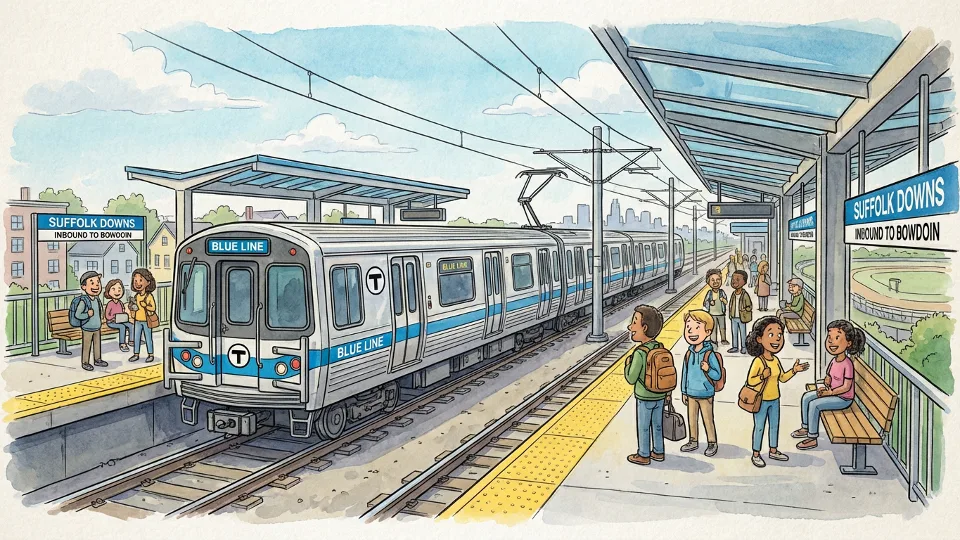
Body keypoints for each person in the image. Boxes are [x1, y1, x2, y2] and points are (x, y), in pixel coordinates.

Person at [745, 316, 809, 468]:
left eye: (779, 334)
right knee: (759, 427)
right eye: (771, 334)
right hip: (761, 400)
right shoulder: (758, 361)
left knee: (774, 426)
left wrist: (794, 370)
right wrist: (762, 376)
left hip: (775, 399)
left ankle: (773, 450)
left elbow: (782, 378)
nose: (777, 339)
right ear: (759, 339)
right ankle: (756, 454)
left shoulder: (775, 361)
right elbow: (750, 381)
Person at [793, 320, 865, 449]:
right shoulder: (834, 360)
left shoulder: (847, 364)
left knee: (815, 405)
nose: (831, 341)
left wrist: (829, 393)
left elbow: (846, 387)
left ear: (848, 343)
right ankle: (806, 427)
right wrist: (827, 381)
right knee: (806, 397)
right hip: (831, 393)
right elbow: (830, 376)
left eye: (837, 338)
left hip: (843, 399)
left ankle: (812, 438)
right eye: (829, 337)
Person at [624, 304, 667, 466]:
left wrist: (627, 365)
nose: (630, 327)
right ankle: (658, 451)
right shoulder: (659, 347)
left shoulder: (640, 353)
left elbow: (631, 378)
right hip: (660, 395)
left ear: (645, 328)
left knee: (643, 426)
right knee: (657, 425)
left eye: (634, 322)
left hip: (644, 396)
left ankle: (643, 454)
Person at [680, 310, 721, 457]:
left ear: (708, 332)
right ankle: (693, 440)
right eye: (688, 327)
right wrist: (683, 391)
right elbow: (684, 373)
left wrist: (708, 369)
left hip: (705, 393)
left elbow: (717, 375)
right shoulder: (688, 353)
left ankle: (712, 442)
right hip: (691, 392)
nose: (691, 331)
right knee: (692, 419)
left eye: (697, 327)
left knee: (707, 419)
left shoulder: (709, 354)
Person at [74, 271, 108, 371]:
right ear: (84, 287)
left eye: (98, 282)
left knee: (97, 344)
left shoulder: (97, 300)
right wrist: (87, 314)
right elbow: (78, 315)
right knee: (87, 345)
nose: (96, 285)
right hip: (87, 328)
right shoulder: (84, 301)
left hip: (97, 327)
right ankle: (85, 362)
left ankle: (97, 359)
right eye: (92, 283)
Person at [128, 268, 158, 363]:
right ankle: (136, 354)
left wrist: (145, 305)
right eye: (135, 281)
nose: (137, 283)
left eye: (140, 280)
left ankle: (151, 354)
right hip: (137, 320)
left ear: (148, 282)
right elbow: (134, 307)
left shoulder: (149, 296)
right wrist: (131, 307)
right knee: (136, 338)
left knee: (148, 338)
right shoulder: (136, 296)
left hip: (146, 320)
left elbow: (153, 308)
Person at [103, 279, 135, 352]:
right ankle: (122, 344)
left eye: (119, 289)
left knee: (131, 325)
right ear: (108, 292)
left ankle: (131, 340)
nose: (117, 292)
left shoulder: (120, 303)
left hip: (120, 320)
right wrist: (113, 317)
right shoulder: (110, 304)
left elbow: (122, 312)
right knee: (122, 327)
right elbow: (107, 316)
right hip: (111, 322)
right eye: (113, 289)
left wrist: (124, 315)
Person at [727, 270, 752, 355]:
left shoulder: (745, 294)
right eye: (733, 279)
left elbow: (749, 306)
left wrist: (745, 310)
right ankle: (735, 347)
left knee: (742, 333)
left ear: (744, 282)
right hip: (733, 317)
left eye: (737, 280)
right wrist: (730, 314)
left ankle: (744, 347)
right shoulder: (733, 294)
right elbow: (731, 305)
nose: (734, 281)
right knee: (734, 333)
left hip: (742, 317)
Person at [701, 269, 728, 346]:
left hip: (721, 313)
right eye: (712, 280)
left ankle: (723, 339)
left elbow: (726, 302)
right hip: (712, 314)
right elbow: (705, 302)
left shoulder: (722, 292)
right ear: (708, 282)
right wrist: (710, 302)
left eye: (718, 279)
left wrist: (723, 300)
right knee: (713, 328)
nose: (715, 282)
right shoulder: (709, 293)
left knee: (722, 327)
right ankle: (713, 340)